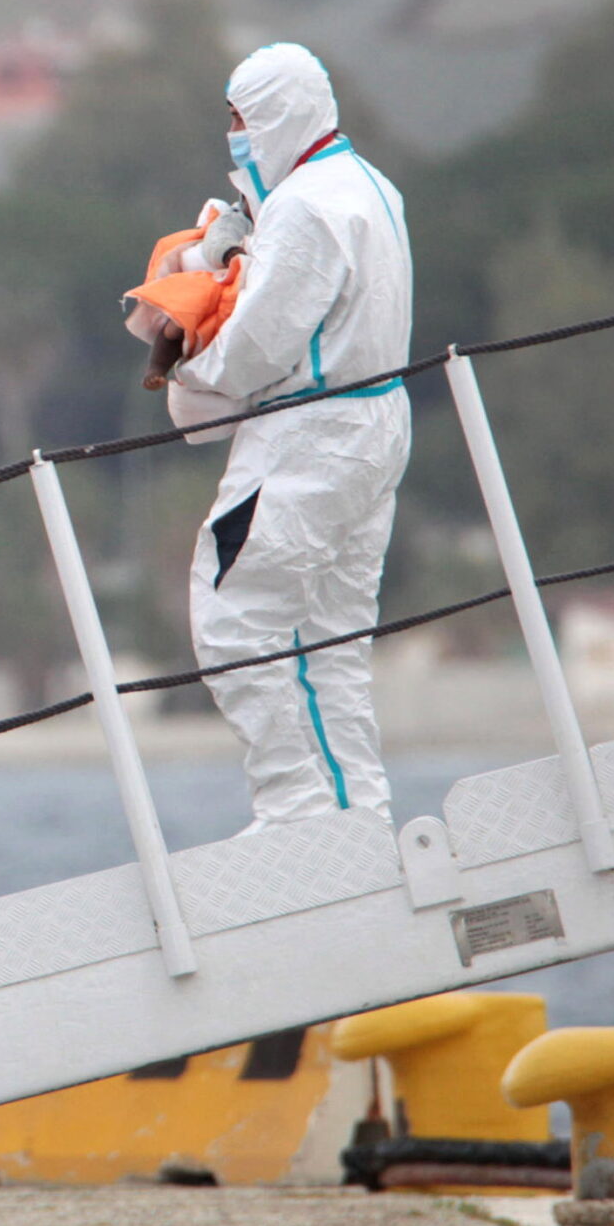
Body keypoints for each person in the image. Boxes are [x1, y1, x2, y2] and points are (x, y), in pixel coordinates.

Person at [163, 43, 412, 831]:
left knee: (233, 614)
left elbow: (256, 351)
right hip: (377, 426)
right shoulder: (373, 186)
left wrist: (181, 352)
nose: (233, 134)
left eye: (239, 118)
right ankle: (356, 810)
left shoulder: (303, 208)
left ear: (272, 115)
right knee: (331, 636)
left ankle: (296, 807)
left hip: (309, 435)